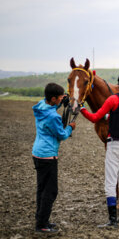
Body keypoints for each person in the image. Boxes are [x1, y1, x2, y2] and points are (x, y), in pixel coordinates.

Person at [80, 69, 119, 227]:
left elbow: (94, 117)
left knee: (110, 183)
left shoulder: (113, 99)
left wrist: (81, 108)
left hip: (115, 145)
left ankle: (112, 220)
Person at [32, 83, 75, 233]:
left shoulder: (41, 106)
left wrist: (60, 102)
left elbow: (50, 110)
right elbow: (62, 135)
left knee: (41, 189)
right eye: (60, 97)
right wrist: (71, 127)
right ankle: (42, 225)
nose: (62, 98)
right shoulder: (53, 117)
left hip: (38, 153)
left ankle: (41, 219)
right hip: (48, 156)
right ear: (53, 98)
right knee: (51, 191)